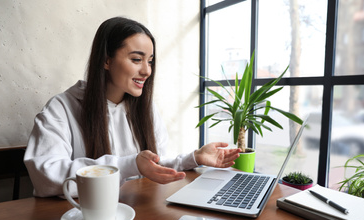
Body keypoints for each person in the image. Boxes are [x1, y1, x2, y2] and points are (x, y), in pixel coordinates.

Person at [24, 17, 241, 198]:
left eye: (150, 61)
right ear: (106, 60)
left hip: (136, 217)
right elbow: (46, 177)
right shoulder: (61, 108)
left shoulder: (144, 109)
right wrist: (130, 165)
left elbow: (153, 163)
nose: (147, 71)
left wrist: (194, 157)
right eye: (137, 59)